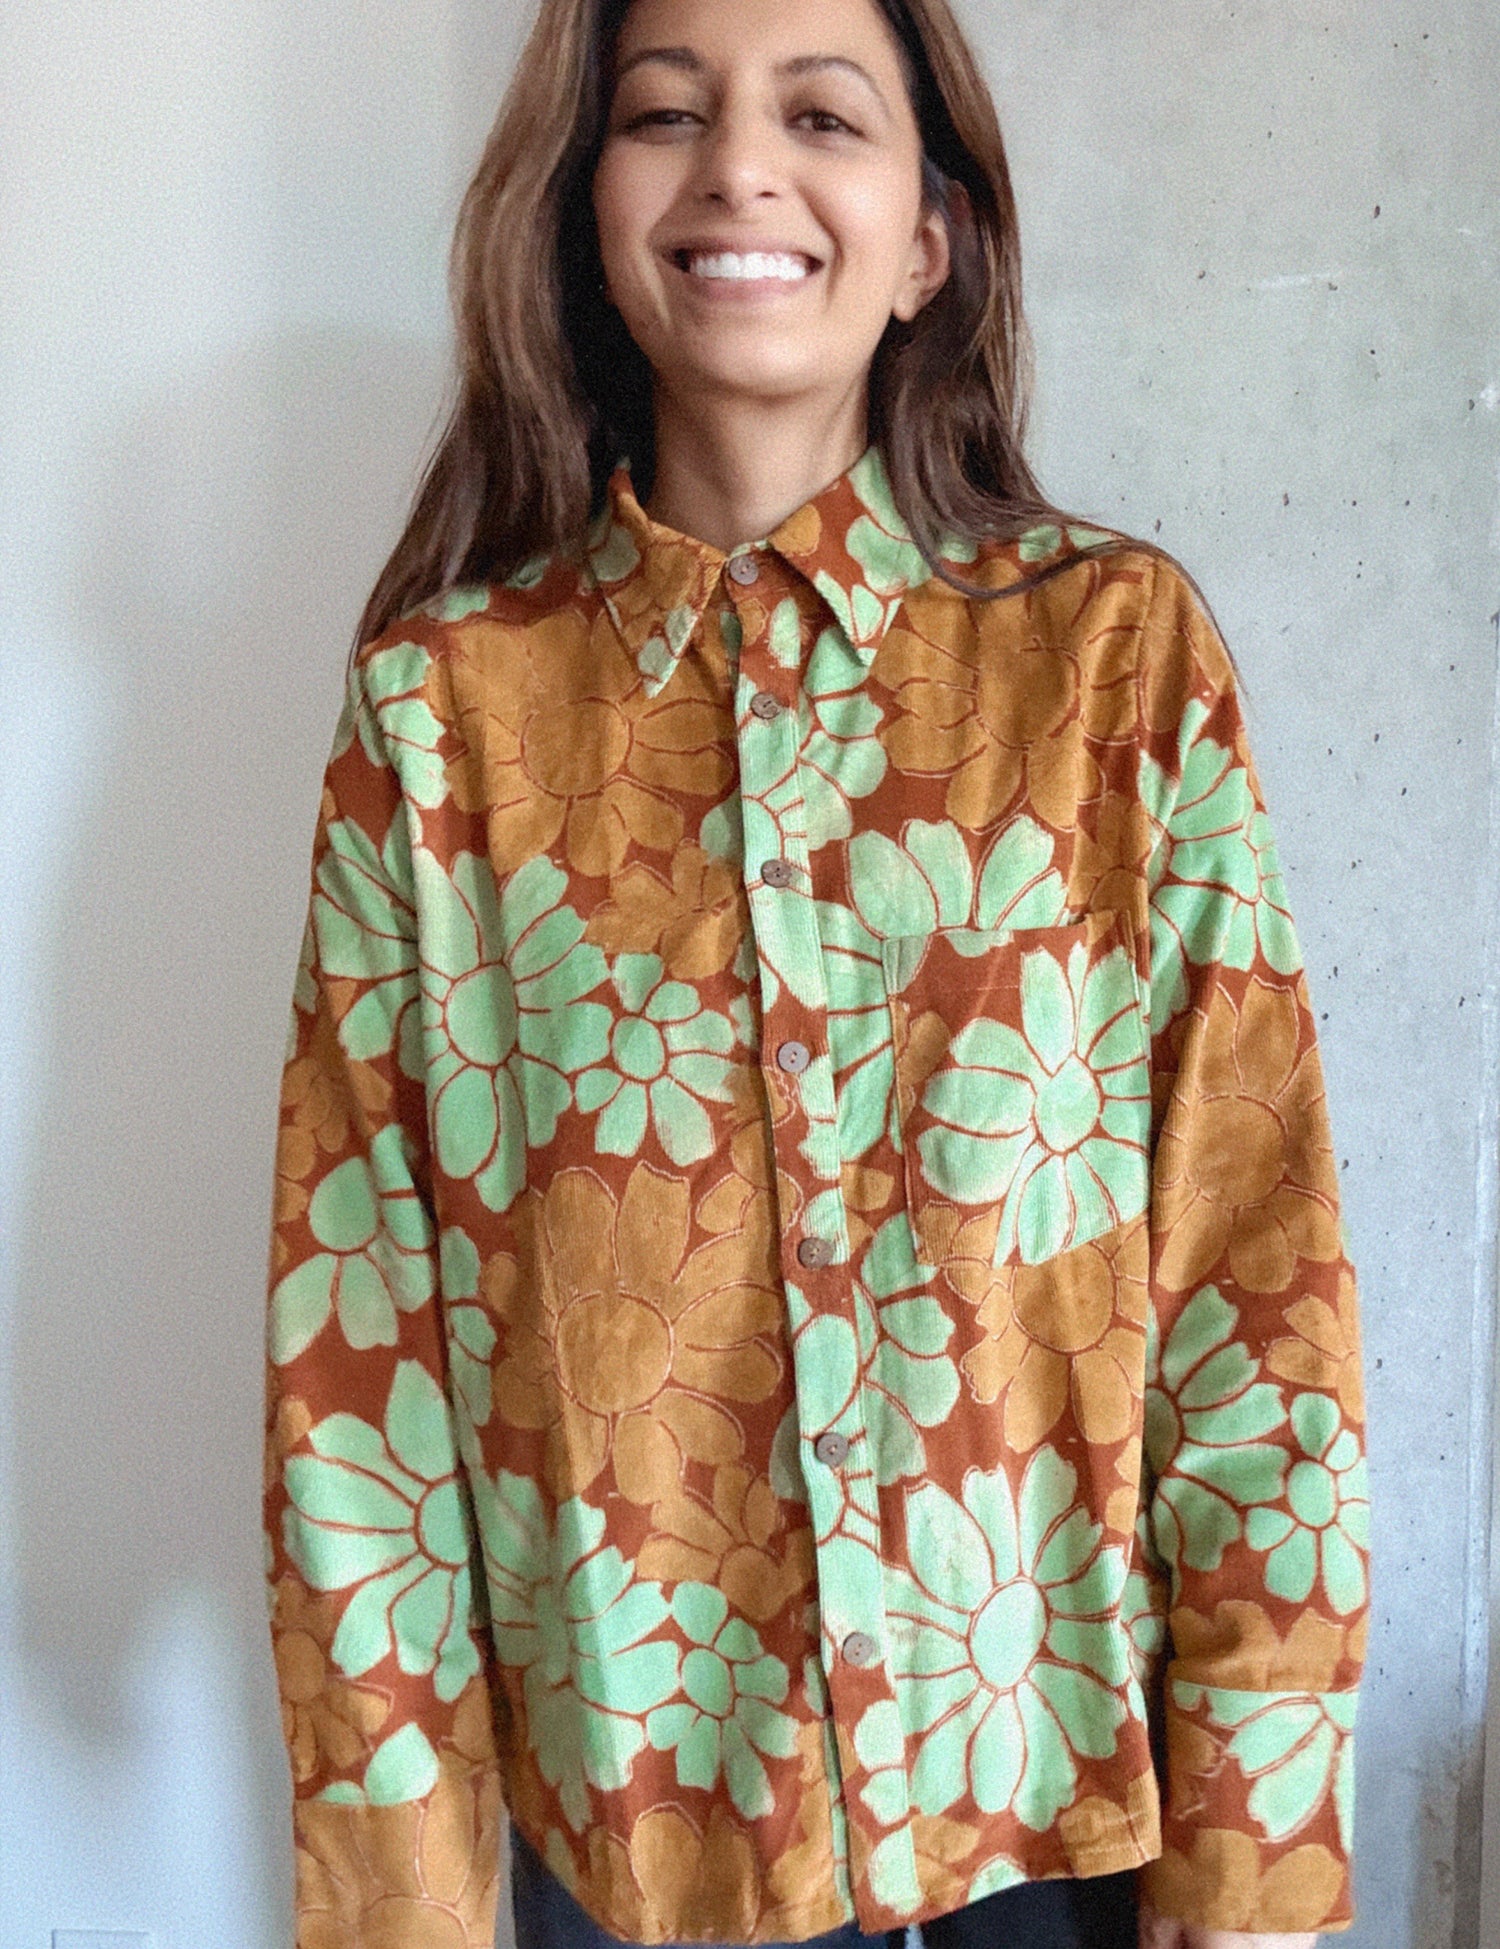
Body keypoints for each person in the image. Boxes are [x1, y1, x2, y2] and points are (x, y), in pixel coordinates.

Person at [262, 0, 1370, 1944]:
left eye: (821, 113)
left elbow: (1251, 1283)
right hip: (626, 1864)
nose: (739, 168)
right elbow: (369, 1388)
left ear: (929, 236)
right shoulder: (442, 726)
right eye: (666, 113)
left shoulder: (1118, 669)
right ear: (590, 212)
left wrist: (1258, 1854)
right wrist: (402, 1911)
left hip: (1062, 1847)